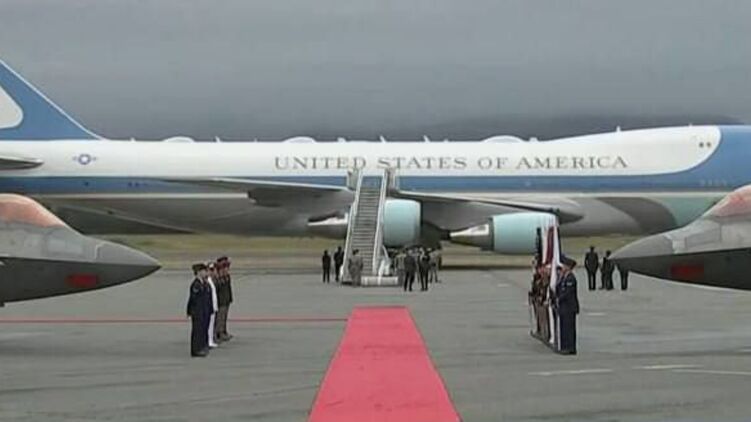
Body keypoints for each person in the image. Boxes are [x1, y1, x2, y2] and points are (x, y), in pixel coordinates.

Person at [555, 256, 580, 354]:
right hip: (564, 307)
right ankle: (565, 346)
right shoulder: (564, 277)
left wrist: (559, 298)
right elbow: (558, 288)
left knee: (569, 328)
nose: (563, 267)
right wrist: (560, 277)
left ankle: (571, 348)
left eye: (565, 266)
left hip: (569, 307)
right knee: (564, 328)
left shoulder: (571, 278)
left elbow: (567, 293)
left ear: (569, 267)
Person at [186, 263, 211, 357]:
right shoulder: (196, 284)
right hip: (197, 311)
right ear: (199, 272)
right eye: (203, 271)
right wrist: (189, 311)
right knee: (197, 331)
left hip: (203, 310)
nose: (205, 273)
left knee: (201, 330)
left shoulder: (203, 283)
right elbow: (192, 299)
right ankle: (195, 350)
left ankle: (201, 347)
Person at [215, 256, 233, 342]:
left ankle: (223, 331)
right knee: (219, 318)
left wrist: (230, 299)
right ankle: (218, 333)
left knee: (224, 318)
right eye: (225, 268)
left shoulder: (226, 277)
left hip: (226, 300)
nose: (227, 270)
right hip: (220, 301)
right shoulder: (218, 279)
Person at [206, 263, 219, 348]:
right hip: (209, 307)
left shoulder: (211, 280)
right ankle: (208, 341)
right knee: (209, 325)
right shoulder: (207, 281)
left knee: (211, 325)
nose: (212, 272)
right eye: (210, 270)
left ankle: (210, 340)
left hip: (213, 306)